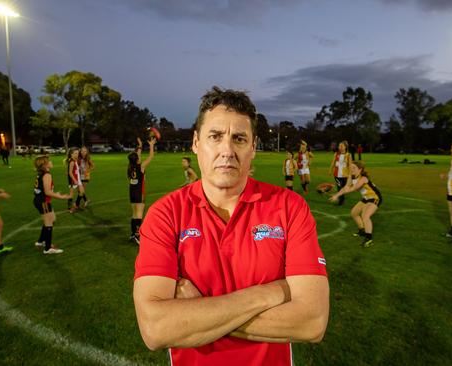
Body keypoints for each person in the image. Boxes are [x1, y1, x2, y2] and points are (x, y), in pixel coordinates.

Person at [133, 86, 329, 366]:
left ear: (252, 147)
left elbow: (312, 322)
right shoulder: (166, 214)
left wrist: (197, 313)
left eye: (239, 138)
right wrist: (271, 292)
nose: (227, 150)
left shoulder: (289, 207)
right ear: (196, 143)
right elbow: (156, 329)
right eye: (215, 136)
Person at [329, 161, 381, 247]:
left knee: (365, 216)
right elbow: (346, 187)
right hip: (366, 198)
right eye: (351, 168)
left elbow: (354, 188)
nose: (351, 169)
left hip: (375, 198)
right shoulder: (351, 176)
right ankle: (362, 231)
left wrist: (343, 191)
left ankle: (369, 239)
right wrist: (336, 195)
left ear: (360, 170)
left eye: (354, 168)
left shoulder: (363, 178)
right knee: (354, 213)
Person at [33, 155, 71, 254]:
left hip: (41, 200)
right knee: (49, 222)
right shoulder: (47, 175)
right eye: (49, 161)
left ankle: (41, 241)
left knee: (52, 219)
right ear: (45, 165)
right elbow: (48, 192)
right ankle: (48, 248)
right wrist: (61, 197)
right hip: (43, 202)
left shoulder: (43, 173)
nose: (51, 162)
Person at [127, 137, 156, 244]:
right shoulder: (141, 167)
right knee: (139, 214)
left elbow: (137, 155)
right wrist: (152, 145)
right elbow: (151, 156)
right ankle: (137, 235)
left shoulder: (130, 167)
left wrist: (140, 144)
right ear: (137, 160)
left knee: (134, 214)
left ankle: (132, 234)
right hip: (140, 191)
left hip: (132, 191)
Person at [329, 141, 352, 205]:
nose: (340, 147)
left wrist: (350, 174)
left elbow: (350, 165)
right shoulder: (336, 154)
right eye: (339, 146)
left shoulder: (348, 155)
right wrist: (330, 170)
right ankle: (341, 201)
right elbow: (333, 162)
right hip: (336, 174)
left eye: (342, 146)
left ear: (345, 147)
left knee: (343, 188)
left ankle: (341, 198)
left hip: (345, 175)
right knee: (339, 187)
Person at [65, 147, 86, 213]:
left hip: (78, 178)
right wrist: (75, 180)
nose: (77, 154)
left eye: (77, 153)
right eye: (75, 153)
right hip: (73, 180)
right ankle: (70, 208)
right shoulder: (71, 162)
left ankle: (76, 205)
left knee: (82, 192)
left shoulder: (75, 160)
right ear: (71, 154)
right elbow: (70, 173)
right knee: (71, 194)